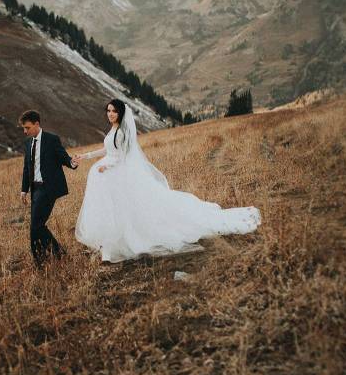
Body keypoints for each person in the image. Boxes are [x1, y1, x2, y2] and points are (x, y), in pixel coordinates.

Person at [73, 99, 261, 263]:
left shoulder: (122, 132)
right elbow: (108, 149)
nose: (111, 114)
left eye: (114, 111)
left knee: (126, 207)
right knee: (115, 208)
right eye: (108, 110)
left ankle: (121, 242)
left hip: (117, 172)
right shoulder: (113, 130)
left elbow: (123, 156)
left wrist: (108, 167)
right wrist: (86, 155)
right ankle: (111, 243)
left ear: (121, 113)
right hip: (110, 172)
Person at [20, 110, 79, 268]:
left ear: (37, 124)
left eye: (27, 127)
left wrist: (71, 163)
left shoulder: (51, 139)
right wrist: (24, 190)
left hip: (49, 188)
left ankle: (49, 257)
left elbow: (62, 156)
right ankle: (47, 257)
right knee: (36, 225)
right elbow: (27, 168)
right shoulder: (27, 143)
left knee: (36, 226)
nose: (25, 131)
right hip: (35, 189)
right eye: (24, 128)